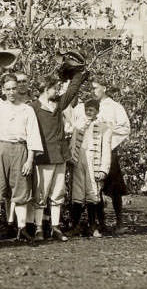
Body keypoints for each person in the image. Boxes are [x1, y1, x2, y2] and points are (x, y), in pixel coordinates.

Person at [0, 67, 43, 242]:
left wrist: (29, 160)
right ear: (3, 90)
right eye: (8, 89)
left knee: (21, 189)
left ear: (19, 88)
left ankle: (21, 229)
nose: (11, 92)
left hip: (20, 150)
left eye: (14, 88)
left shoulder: (27, 109)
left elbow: (33, 135)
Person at [29, 68, 86, 241]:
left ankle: (55, 227)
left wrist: (78, 73)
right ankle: (38, 228)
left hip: (60, 155)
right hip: (44, 156)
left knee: (58, 192)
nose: (58, 91)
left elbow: (72, 91)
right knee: (41, 194)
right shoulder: (33, 108)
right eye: (55, 88)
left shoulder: (59, 104)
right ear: (46, 89)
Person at [70, 77, 131, 235]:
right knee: (90, 187)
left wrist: (107, 137)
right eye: (92, 88)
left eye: (96, 88)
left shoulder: (114, 107)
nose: (93, 91)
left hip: (107, 150)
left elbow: (125, 128)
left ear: (104, 88)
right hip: (86, 153)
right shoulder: (85, 106)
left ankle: (119, 222)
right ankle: (98, 223)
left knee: (113, 188)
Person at [67, 96, 112, 238]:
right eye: (87, 110)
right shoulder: (79, 124)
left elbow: (106, 150)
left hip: (94, 160)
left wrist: (104, 169)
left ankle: (93, 226)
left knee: (93, 192)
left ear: (97, 111)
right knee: (77, 192)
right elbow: (73, 142)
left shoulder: (104, 127)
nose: (89, 112)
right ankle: (75, 226)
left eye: (92, 110)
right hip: (80, 158)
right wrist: (71, 158)